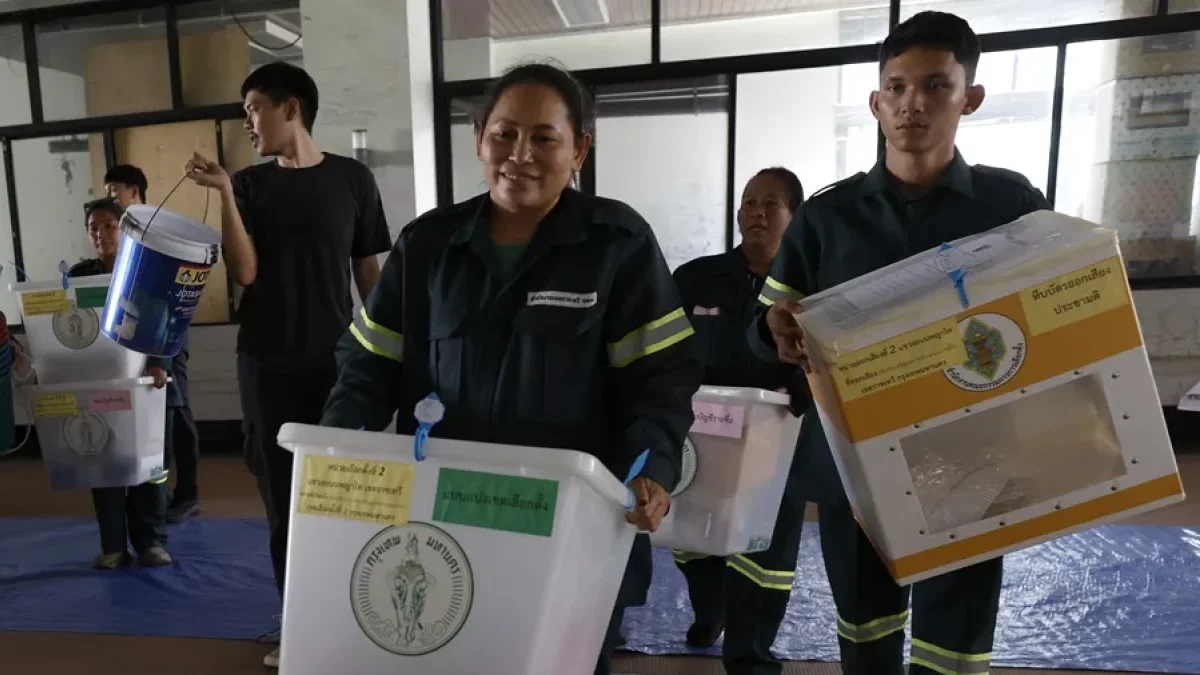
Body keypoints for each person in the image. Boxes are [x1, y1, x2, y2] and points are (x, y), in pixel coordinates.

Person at [320, 62, 703, 675]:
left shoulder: (617, 245)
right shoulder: (427, 247)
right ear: (479, 139)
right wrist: (340, 448)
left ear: (579, 149)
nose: (520, 154)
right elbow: (367, 363)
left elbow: (660, 377)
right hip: (446, 523)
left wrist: (650, 468)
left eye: (545, 138)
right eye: (503, 134)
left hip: (573, 530)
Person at [750, 12, 1051, 675]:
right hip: (853, 462)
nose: (912, 103)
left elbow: (1052, 308)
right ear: (876, 101)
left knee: (956, 637)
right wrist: (777, 329)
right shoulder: (827, 217)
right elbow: (769, 315)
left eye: (935, 86)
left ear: (969, 97)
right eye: (897, 86)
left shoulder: (1012, 204)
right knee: (866, 624)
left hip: (976, 452)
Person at [184, 61, 392, 669]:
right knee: (283, 500)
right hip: (268, 362)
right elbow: (244, 273)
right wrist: (224, 192)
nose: (247, 121)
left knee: (346, 496)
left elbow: (368, 276)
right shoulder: (248, 185)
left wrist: (384, 353)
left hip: (338, 365)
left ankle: (355, 617)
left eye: (253, 108)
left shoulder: (354, 179)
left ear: (291, 107)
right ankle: (298, 625)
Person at [669, 168, 811, 675]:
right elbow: (664, 351)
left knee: (765, 551)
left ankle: (750, 655)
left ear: (794, 216)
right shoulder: (696, 278)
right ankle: (712, 611)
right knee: (690, 537)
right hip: (703, 434)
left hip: (778, 437)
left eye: (770, 203)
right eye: (748, 202)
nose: (755, 211)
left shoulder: (815, 287)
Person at [70, 198, 174, 569]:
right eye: (94, 228)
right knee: (106, 465)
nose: (101, 234)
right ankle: (114, 546)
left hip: (147, 381)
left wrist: (160, 363)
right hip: (100, 382)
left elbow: (168, 318)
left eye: (109, 226)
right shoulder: (80, 276)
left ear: (125, 228)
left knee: (149, 466)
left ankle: (151, 543)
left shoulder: (148, 268)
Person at [105, 163, 201, 524]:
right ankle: (157, 494)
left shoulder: (157, 226)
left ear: (134, 192)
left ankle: (187, 495)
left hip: (166, 327)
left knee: (177, 411)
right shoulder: (122, 229)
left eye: (115, 190)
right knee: (150, 417)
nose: (111, 197)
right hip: (131, 332)